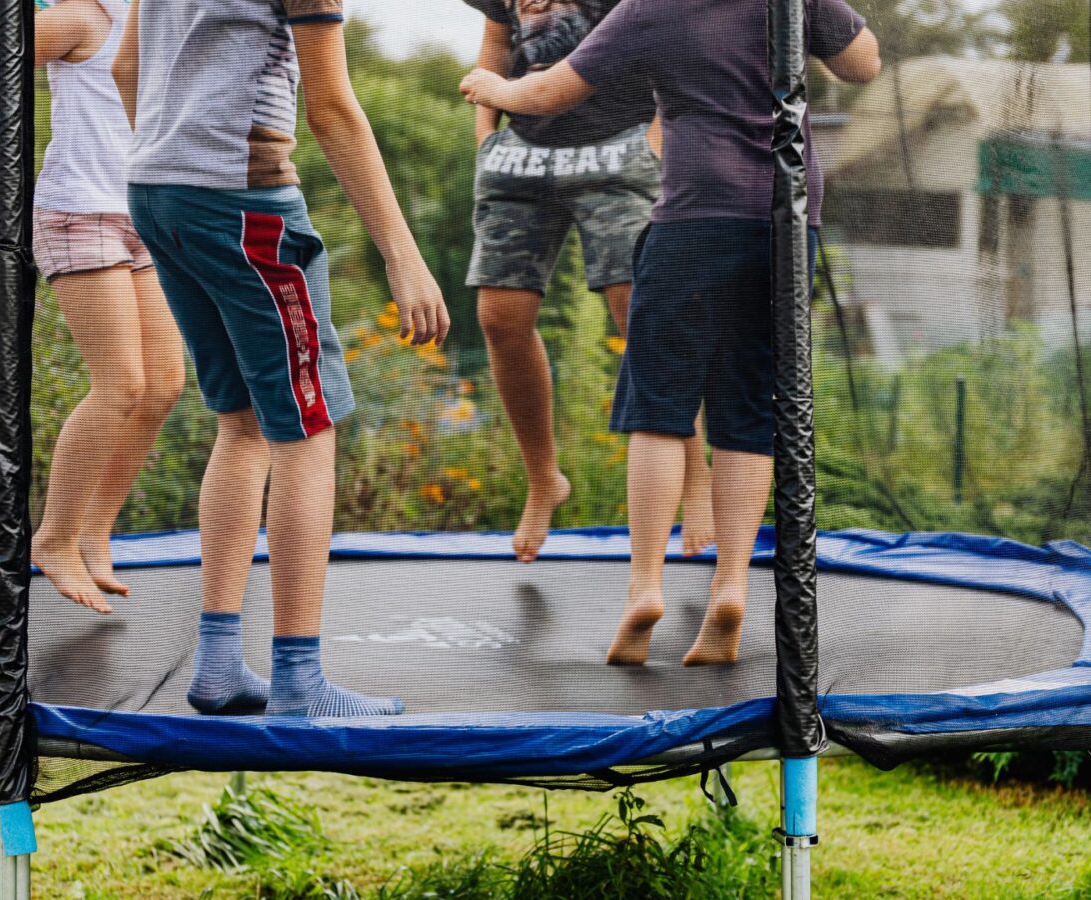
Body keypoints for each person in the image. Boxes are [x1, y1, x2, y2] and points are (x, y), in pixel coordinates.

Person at [461, 0, 881, 666]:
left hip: (694, 217)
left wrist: (493, 89)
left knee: (658, 408)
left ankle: (645, 587)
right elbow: (863, 64)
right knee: (747, 412)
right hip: (788, 222)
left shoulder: (652, 7)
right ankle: (733, 586)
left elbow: (547, 92)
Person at [113, 0, 449, 716]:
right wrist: (405, 257)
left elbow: (124, 66)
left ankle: (218, 664)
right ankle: (299, 678)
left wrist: (175, 149)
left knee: (240, 421)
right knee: (307, 426)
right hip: (244, 204)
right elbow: (332, 110)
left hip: (155, 189)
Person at [460, 0, 717, 564]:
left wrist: (655, 140)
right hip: (522, 156)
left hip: (617, 147)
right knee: (500, 320)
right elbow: (497, 43)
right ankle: (543, 478)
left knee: (641, 313)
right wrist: (486, 137)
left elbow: (669, 43)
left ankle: (697, 477)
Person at [0, 0, 185, 616]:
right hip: (79, 213)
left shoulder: (155, 17)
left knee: (164, 383)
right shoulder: (83, 17)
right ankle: (52, 538)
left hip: (141, 213)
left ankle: (92, 530)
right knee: (121, 384)